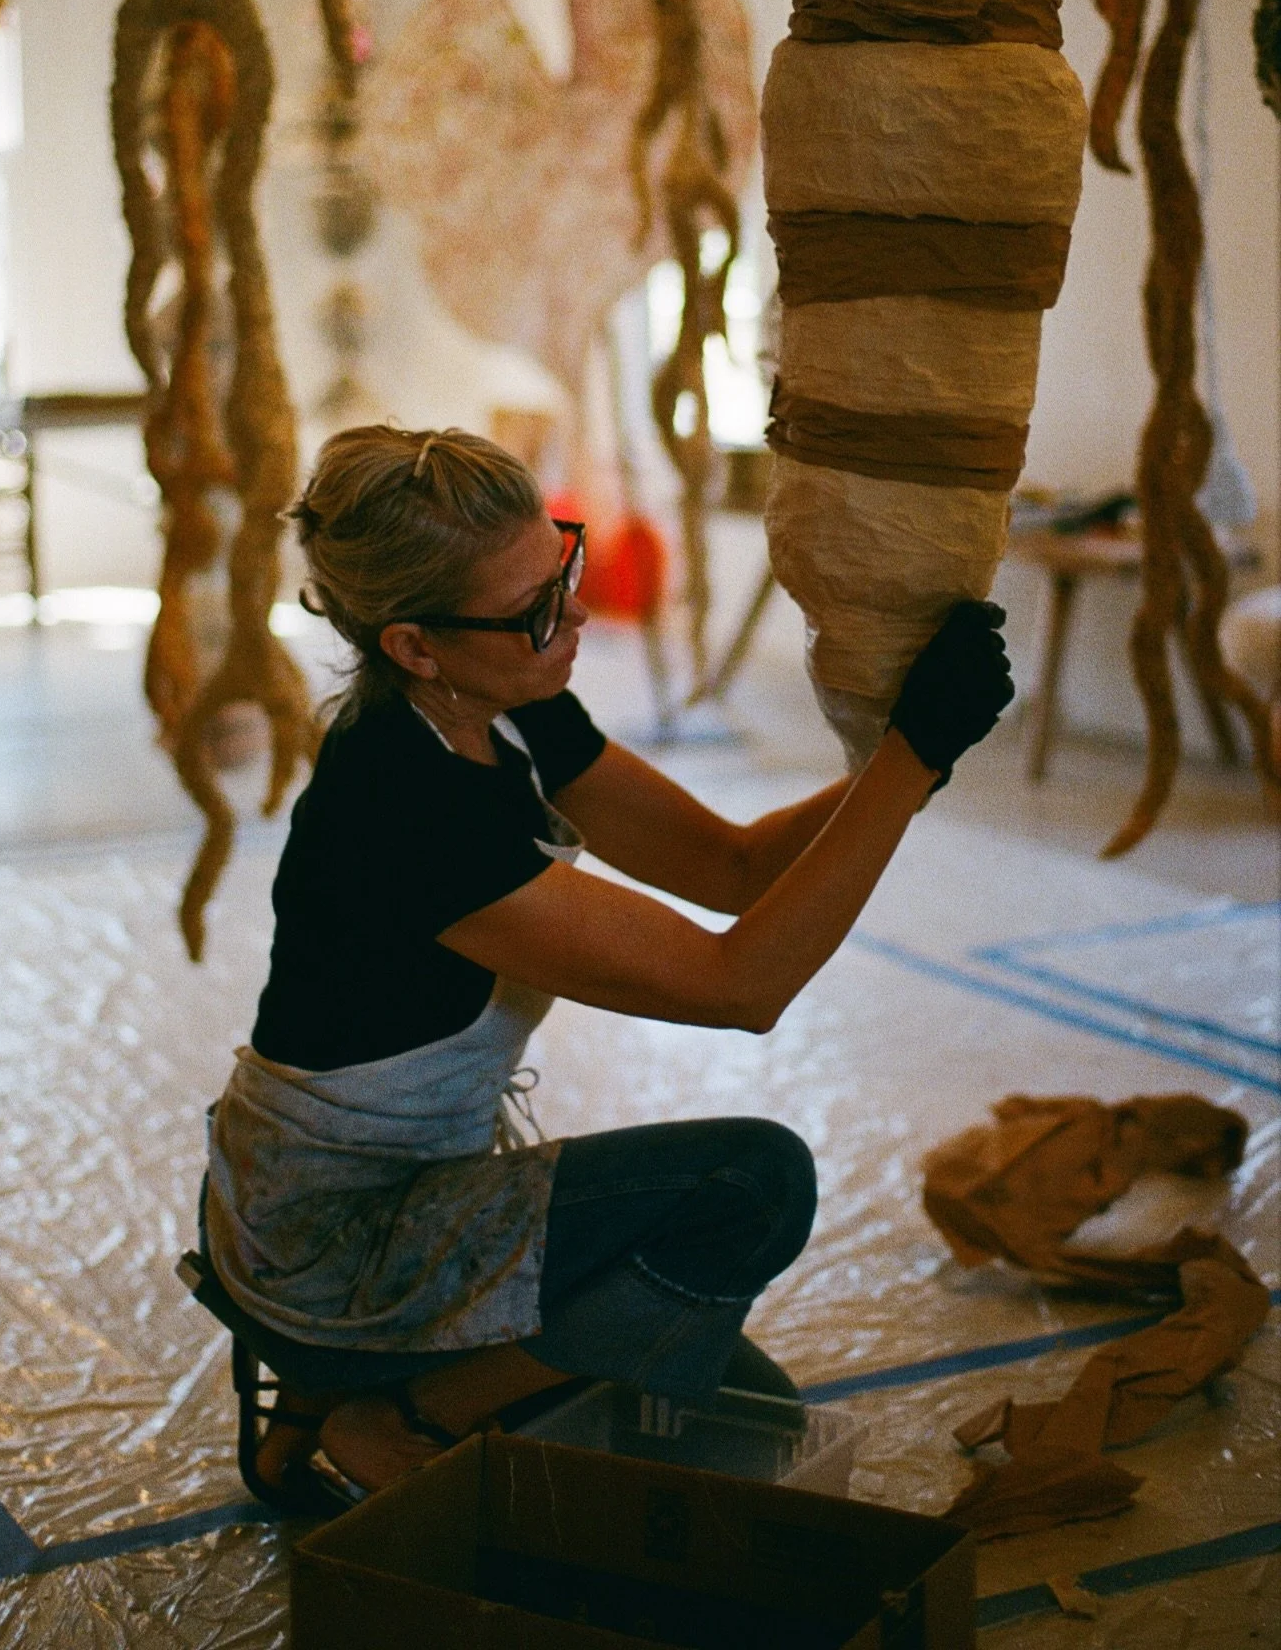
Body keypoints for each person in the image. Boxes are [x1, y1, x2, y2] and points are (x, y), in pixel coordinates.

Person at [201, 423, 1013, 1511]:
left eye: (563, 568)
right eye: (537, 609)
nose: (576, 614)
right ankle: (391, 1410)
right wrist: (906, 757)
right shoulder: (404, 802)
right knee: (752, 1188)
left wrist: (919, 761)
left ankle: (322, 1391)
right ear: (412, 644)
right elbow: (742, 985)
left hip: (390, 1185)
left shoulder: (506, 703)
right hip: (334, 1234)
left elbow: (725, 867)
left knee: (743, 1403)